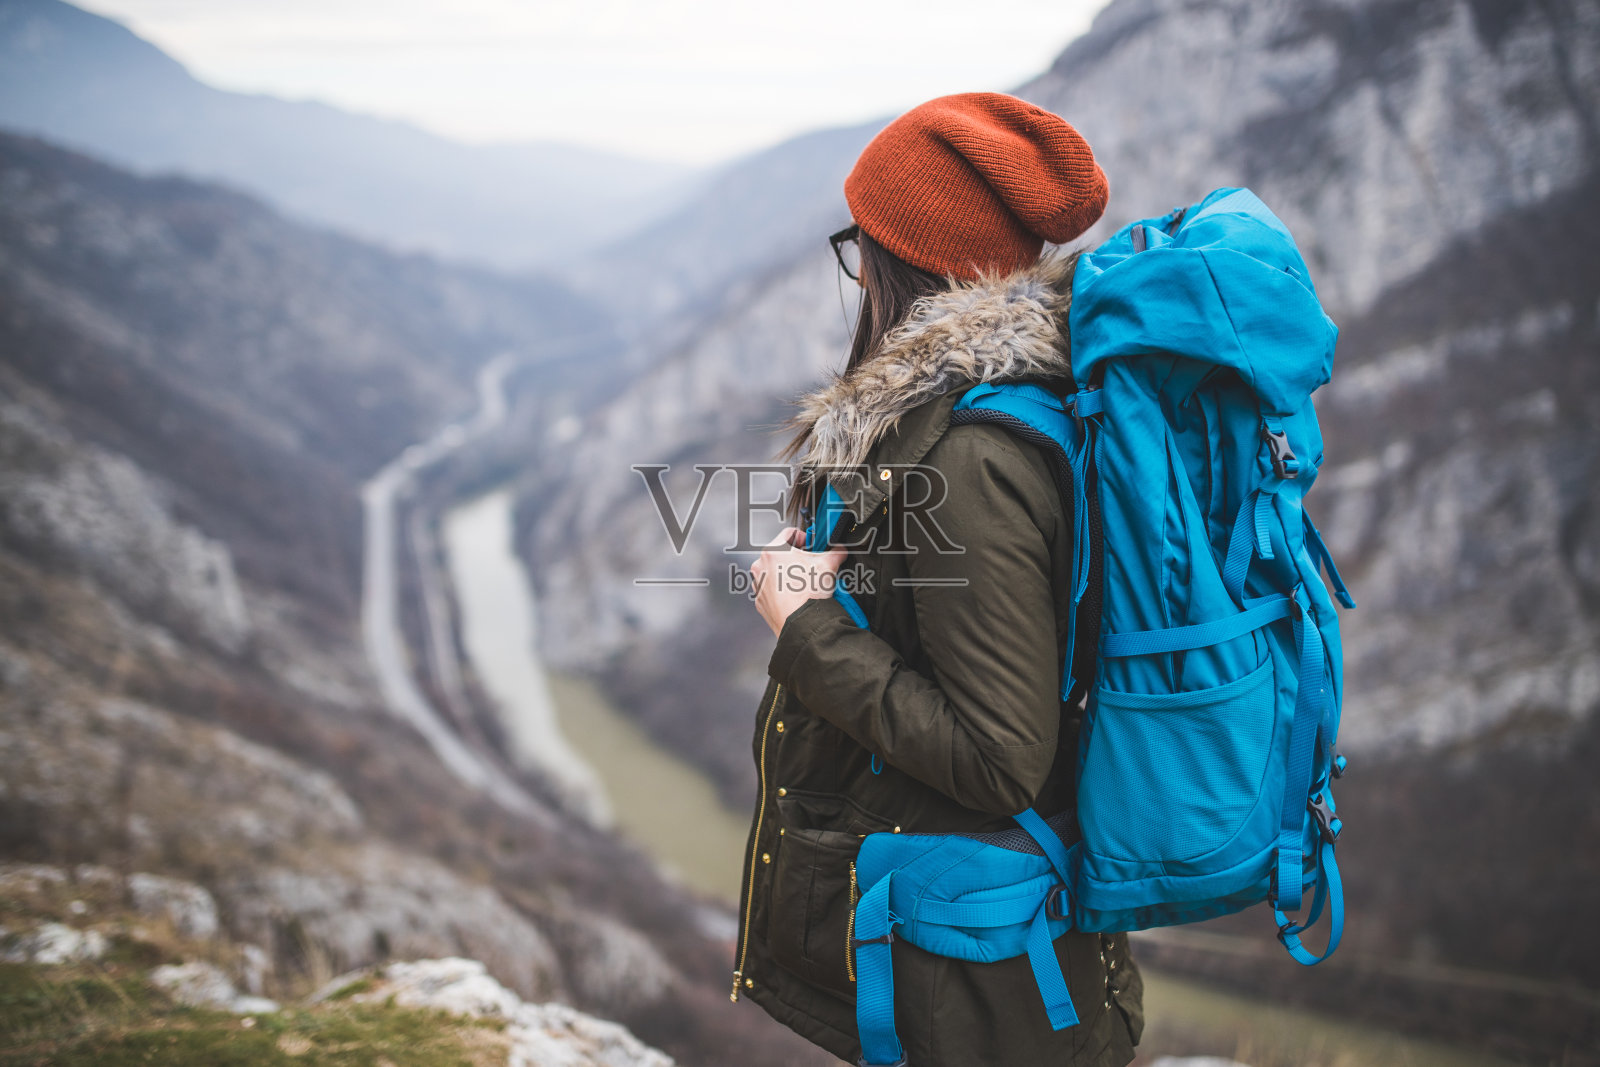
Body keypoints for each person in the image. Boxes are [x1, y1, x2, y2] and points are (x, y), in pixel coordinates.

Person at [732, 92, 1144, 1066]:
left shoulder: (970, 458)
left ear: (902, 260)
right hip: (958, 954)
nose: (854, 269)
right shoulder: (974, 418)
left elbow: (1000, 754)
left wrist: (804, 625)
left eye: (859, 244)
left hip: (978, 988)